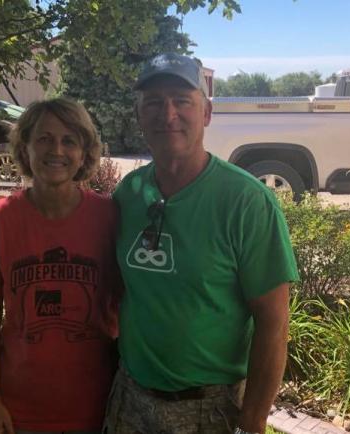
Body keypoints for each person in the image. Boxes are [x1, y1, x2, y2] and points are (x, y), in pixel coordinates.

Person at [105, 53, 299, 434]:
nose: (168, 114)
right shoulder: (129, 193)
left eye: (182, 101)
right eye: (154, 103)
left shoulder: (245, 201)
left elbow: (273, 323)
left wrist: (253, 421)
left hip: (211, 411)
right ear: (139, 114)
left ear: (207, 113)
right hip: (130, 400)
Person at [0, 97, 119, 434]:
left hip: (98, 403)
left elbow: (126, 305)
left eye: (69, 141)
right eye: (44, 139)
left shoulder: (109, 218)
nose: (57, 151)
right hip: (20, 408)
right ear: (25, 148)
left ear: (84, 152)